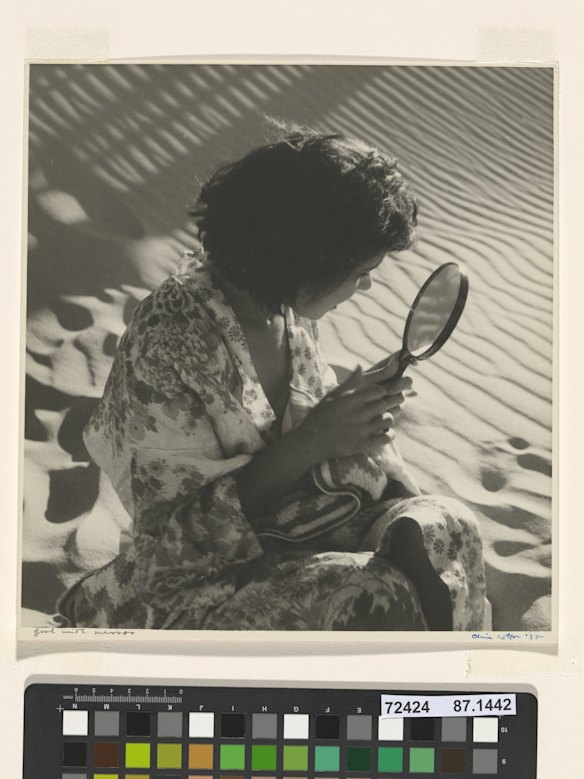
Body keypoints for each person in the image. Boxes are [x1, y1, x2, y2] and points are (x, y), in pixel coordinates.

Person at [56, 129, 485, 631]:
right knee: (370, 590)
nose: (367, 284)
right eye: (360, 271)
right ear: (306, 258)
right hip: (198, 589)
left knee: (445, 526)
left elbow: (298, 435)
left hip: (299, 534)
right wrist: (315, 438)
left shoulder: (284, 309)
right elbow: (172, 542)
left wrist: (350, 410)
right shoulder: (169, 341)